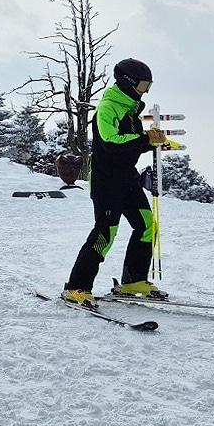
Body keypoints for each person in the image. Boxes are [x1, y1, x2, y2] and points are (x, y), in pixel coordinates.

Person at [63, 58, 169, 307]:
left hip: (128, 178)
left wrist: (154, 141)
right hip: (107, 181)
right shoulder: (109, 107)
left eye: (148, 86)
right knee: (105, 233)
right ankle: (76, 287)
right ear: (128, 83)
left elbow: (130, 144)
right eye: (143, 85)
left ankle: (133, 281)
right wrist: (145, 139)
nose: (145, 91)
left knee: (146, 226)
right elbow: (112, 143)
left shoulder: (130, 109)